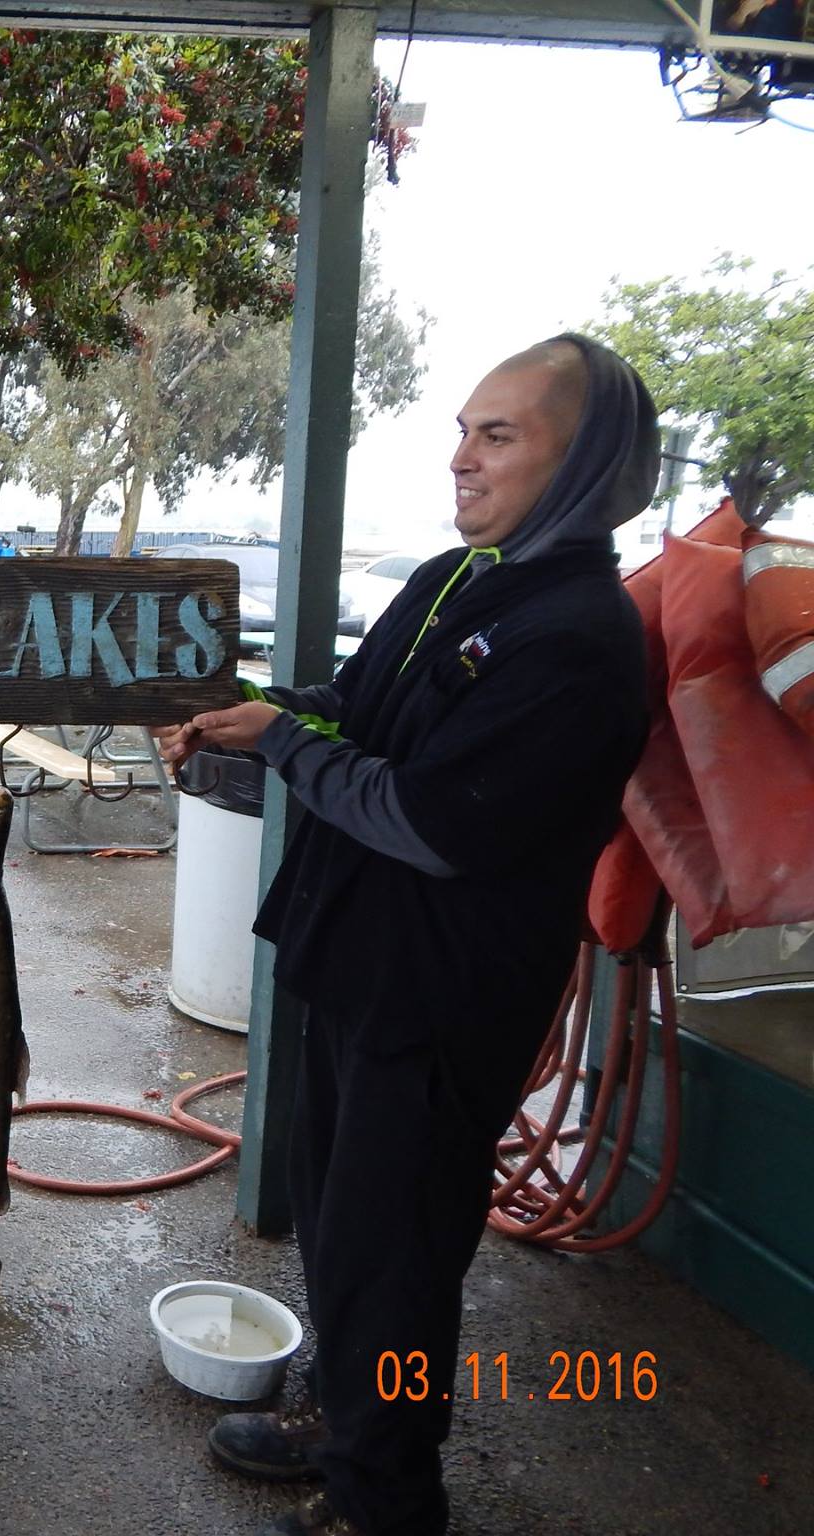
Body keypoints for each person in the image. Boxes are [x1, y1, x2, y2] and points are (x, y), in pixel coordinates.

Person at [158, 335, 657, 1536]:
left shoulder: (579, 639)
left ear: (581, 459)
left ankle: (383, 1502)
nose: (459, 461)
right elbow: (355, 712)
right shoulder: (453, 576)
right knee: (338, 1235)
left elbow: (431, 821)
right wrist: (262, 712)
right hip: (353, 970)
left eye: (497, 436)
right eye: (460, 430)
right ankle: (342, 1417)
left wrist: (277, 745)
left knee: (397, 1261)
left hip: (440, 1009)